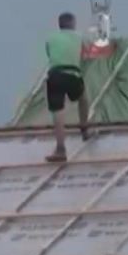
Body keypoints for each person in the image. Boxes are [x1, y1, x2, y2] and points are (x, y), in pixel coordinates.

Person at [43, 11, 93, 163]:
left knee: (58, 112)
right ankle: (84, 128)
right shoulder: (79, 37)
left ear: (59, 25)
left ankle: (60, 148)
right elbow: (86, 55)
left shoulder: (51, 38)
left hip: (55, 75)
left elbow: (50, 55)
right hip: (73, 74)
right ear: (73, 24)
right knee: (83, 98)